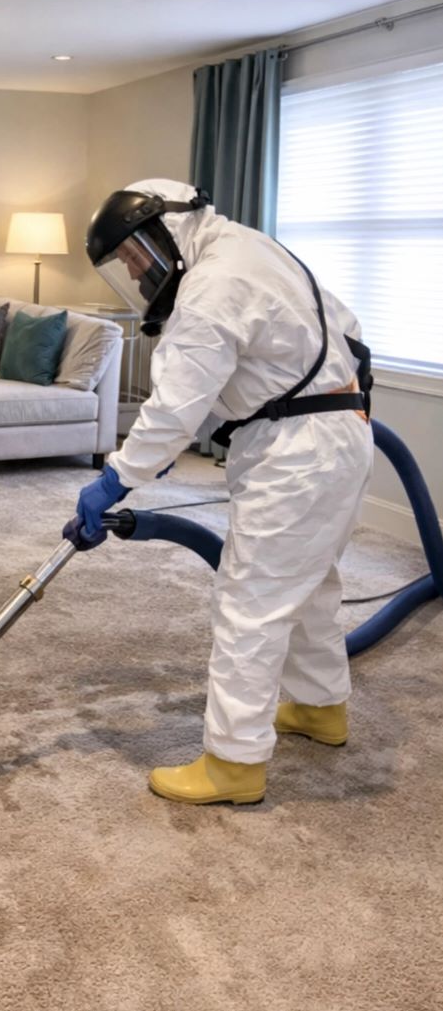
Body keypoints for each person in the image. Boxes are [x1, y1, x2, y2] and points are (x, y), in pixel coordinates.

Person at [64, 180, 374, 805]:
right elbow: (342, 332)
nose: (134, 271)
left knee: (249, 603)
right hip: (336, 436)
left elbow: (173, 404)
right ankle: (320, 707)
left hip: (296, 452)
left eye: (134, 256)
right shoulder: (253, 250)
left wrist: (117, 477)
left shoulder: (209, 287)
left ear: (167, 228)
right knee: (311, 584)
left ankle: (234, 763)